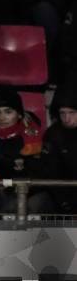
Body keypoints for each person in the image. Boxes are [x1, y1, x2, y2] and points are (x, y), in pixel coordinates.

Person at [43, 81, 77, 213]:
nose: (67, 118)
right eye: (63, 113)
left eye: (72, 113)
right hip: (61, 196)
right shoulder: (53, 134)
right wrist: (66, 202)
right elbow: (51, 173)